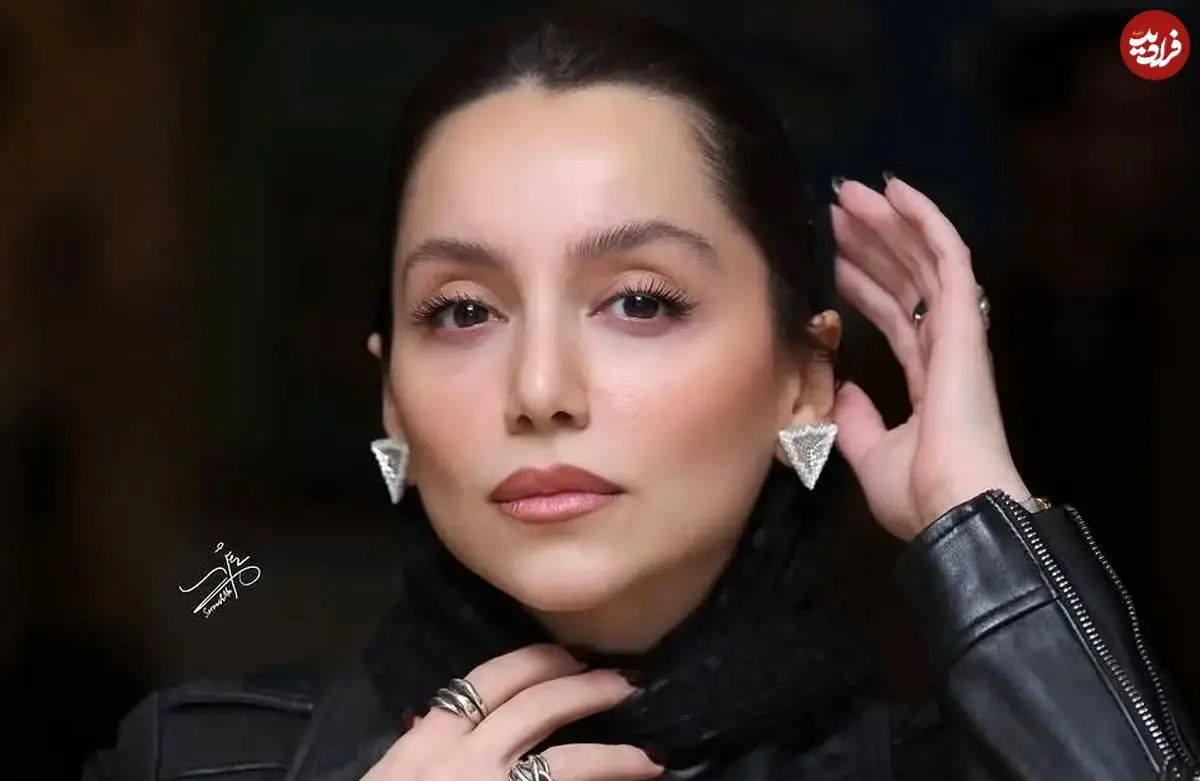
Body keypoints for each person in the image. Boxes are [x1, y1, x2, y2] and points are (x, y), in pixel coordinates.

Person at [83, 7, 1199, 781]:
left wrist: (979, 514)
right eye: (462, 311)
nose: (540, 390)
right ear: (392, 403)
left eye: (639, 301)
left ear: (805, 381)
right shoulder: (191, 760)